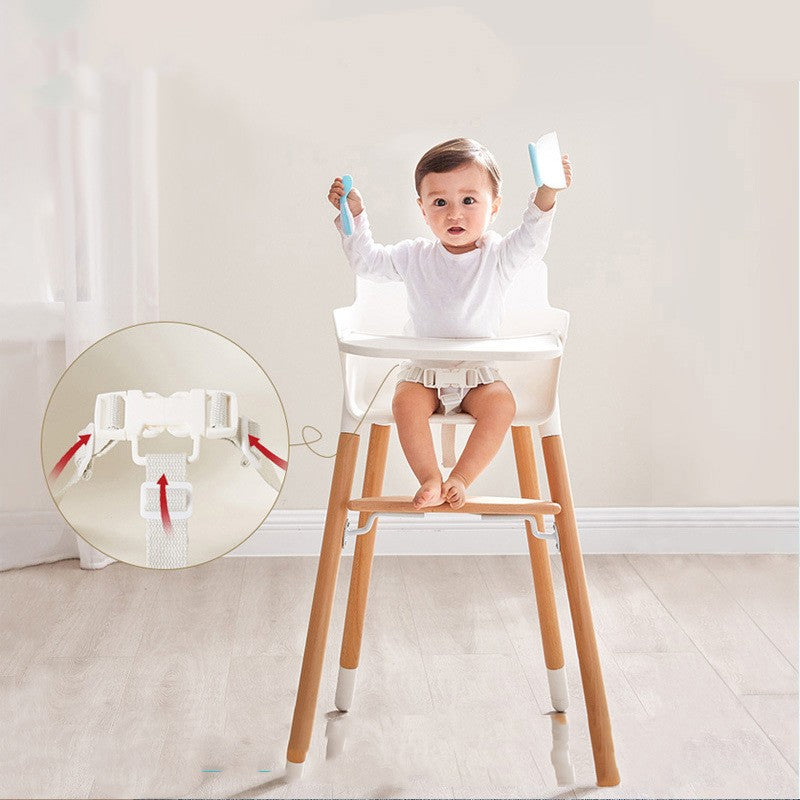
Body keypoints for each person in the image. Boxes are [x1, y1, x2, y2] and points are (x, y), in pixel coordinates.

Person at [328, 138, 572, 509]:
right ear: (423, 210)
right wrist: (355, 216)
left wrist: (547, 192)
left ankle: (461, 476)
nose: (454, 213)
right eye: (440, 202)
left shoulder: (499, 257)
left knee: (501, 405)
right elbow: (367, 263)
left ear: (494, 207)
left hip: (478, 375)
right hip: (423, 373)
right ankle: (429, 476)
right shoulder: (414, 256)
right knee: (405, 402)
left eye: (469, 201)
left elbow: (531, 240)